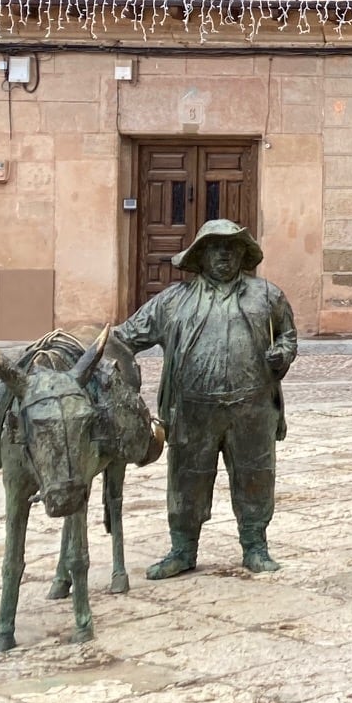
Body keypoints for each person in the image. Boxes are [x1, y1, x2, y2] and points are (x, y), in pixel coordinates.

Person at [118, 219, 297, 578]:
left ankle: (255, 546)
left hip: (252, 408)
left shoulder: (267, 295)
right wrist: (117, 376)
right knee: (187, 479)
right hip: (192, 409)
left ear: (243, 255)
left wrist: (282, 352)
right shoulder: (173, 301)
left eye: (231, 249)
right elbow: (123, 339)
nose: (223, 256)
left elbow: (289, 336)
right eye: (215, 249)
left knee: (255, 476)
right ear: (200, 256)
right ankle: (182, 549)